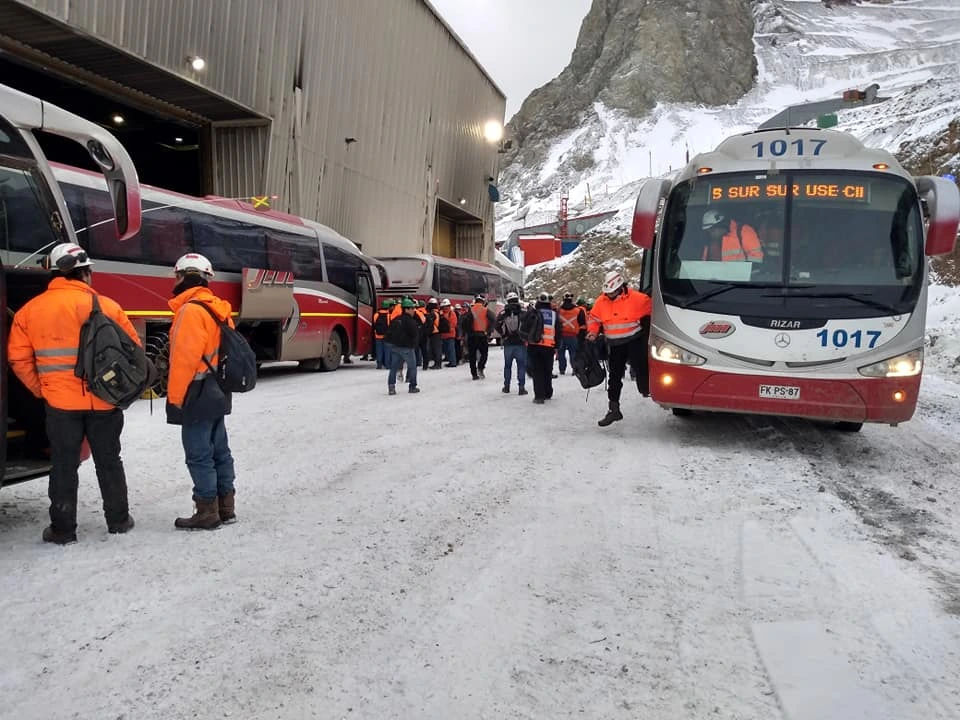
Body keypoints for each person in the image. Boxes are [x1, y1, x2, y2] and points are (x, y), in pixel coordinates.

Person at [8, 242, 138, 544]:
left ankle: (63, 530)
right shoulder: (109, 307)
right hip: (105, 401)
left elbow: (18, 358)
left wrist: (42, 389)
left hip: (60, 404)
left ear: (53, 274)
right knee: (109, 460)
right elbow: (133, 351)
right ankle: (118, 520)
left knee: (64, 465)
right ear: (86, 274)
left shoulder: (30, 311)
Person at [166, 253, 238, 530]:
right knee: (220, 449)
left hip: (196, 391)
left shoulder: (190, 311)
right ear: (206, 279)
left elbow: (184, 361)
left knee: (198, 453)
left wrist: (174, 400)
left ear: (182, 277)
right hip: (218, 389)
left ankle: (206, 511)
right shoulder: (219, 309)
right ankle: (226, 507)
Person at [587, 270, 651, 427]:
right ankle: (614, 409)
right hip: (615, 345)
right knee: (614, 378)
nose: (610, 295)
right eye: (607, 293)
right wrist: (593, 332)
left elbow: (653, 311)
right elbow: (594, 319)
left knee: (642, 368)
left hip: (634, 340)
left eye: (613, 292)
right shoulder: (601, 302)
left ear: (621, 287)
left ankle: (647, 389)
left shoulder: (638, 299)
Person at [525, 293, 560, 404]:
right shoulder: (554, 315)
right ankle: (548, 392)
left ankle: (539, 396)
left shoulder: (533, 313)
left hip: (534, 346)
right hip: (549, 347)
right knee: (547, 370)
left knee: (537, 371)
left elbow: (525, 327)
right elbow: (558, 332)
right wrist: (557, 346)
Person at [385, 297, 421, 394]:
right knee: (412, 367)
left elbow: (389, 332)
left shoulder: (396, 319)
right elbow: (415, 335)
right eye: (412, 308)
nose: (413, 310)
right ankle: (412, 386)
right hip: (407, 348)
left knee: (394, 368)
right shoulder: (410, 321)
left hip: (395, 347)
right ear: (406, 309)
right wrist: (414, 345)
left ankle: (391, 387)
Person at [496, 291, 528, 395]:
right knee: (521, 365)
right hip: (520, 342)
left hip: (508, 343)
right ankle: (521, 388)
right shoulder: (523, 311)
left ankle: (506, 386)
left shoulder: (503, 313)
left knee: (507, 366)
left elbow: (496, 325)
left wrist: (503, 334)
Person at [461, 294, 495, 380]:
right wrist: (489, 330)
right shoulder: (486, 310)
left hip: (471, 336)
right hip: (482, 335)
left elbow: (463, 323)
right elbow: (494, 319)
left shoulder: (470, 310)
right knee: (484, 354)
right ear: (483, 301)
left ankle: (474, 375)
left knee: (472, 356)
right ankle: (480, 367)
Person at [556, 292, 586, 375]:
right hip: (573, 336)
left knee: (561, 353)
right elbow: (582, 322)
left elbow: (556, 322)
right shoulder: (578, 310)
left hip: (561, 335)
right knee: (573, 353)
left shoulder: (559, 310)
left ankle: (562, 369)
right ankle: (574, 369)